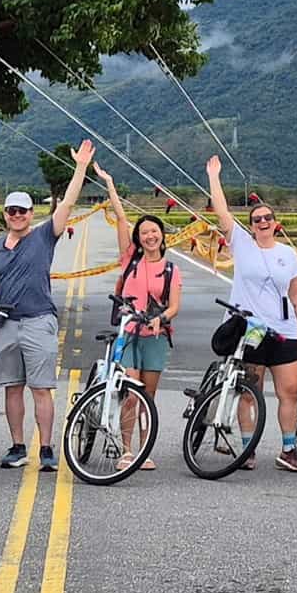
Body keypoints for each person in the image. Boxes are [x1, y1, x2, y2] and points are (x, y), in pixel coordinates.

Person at [0, 139, 95, 472]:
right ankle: (18, 446)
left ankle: (46, 448)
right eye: (11, 211)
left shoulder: (45, 235)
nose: (17, 216)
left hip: (38, 320)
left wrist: (81, 169)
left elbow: (68, 204)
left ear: (32, 214)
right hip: (6, 324)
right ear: (5, 214)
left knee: (42, 388)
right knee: (12, 388)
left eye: (23, 211)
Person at [204, 154, 297, 472]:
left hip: (285, 331)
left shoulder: (288, 255)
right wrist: (214, 177)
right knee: (249, 390)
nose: (262, 222)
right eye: (256, 219)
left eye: (267, 218)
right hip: (251, 331)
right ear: (251, 226)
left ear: (275, 222)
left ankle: (288, 449)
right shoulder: (242, 244)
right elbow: (222, 213)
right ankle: (247, 449)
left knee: (289, 391)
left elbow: (296, 295)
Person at [97, 162, 181, 471]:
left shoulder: (172, 269)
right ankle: (126, 450)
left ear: (161, 236)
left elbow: (173, 306)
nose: (149, 236)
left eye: (154, 232)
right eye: (144, 232)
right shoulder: (129, 259)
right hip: (129, 332)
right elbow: (120, 216)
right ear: (138, 237)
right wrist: (109, 182)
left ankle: (144, 450)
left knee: (149, 396)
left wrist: (163, 318)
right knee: (131, 394)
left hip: (156, 337)